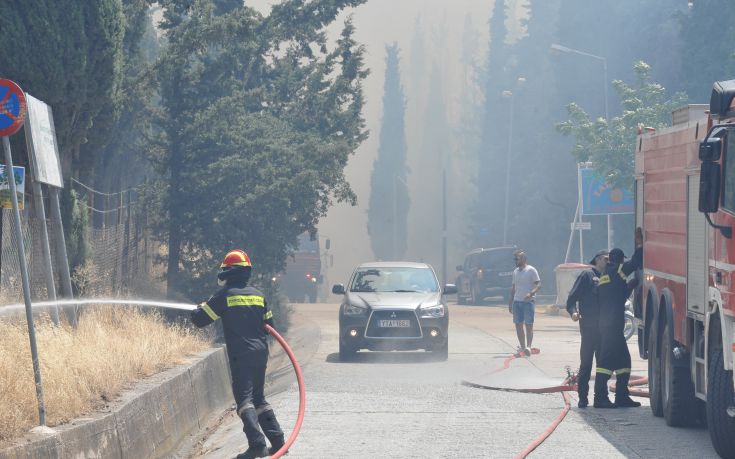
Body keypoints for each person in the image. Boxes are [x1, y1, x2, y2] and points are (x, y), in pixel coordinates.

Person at [190, 249, 285, 459]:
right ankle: (278, 441)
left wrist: (198, 309)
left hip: (240, 354)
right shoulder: (259, 296)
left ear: (228, 272)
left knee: (244, 400)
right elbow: (271, 326)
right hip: (260, 353)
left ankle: (257, 445)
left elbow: (200, 320)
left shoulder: (224, 295)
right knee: (259, 398)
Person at [594, 228, 644, 409]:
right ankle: (600, 398)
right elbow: (636, 262)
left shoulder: (605, 275)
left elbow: (617, 296)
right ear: (620, 260)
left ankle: (622, 396)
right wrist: (640, 244)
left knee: (624, 362)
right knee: (606, 362)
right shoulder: (618, 270)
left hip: (608, 324)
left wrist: (630, 286)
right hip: (612, 325)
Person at [566, 249, 608, 408]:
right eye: (606, 259)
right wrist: (574, 313)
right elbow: (571, 300)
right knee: (586, 363)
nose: (608, 262)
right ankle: (583, 397)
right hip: (589, 327)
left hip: (604, 328)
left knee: (603, 365)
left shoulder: (608, 277)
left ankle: (601, 398)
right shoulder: (587, 276)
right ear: (597, 260)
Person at [508, 250, 541, 356]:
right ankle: (522, 347)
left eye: (517, 258)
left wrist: (531, 293)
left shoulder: (531, 270)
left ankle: (528, 347)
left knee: (529, 325)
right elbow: (514, 288)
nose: (515, 261)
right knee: (518, 324)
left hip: (528, 302)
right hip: (517, 302)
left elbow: (538, 285)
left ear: (523, 259)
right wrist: (510, 301)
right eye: (514, 259)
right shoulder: (515, 272)